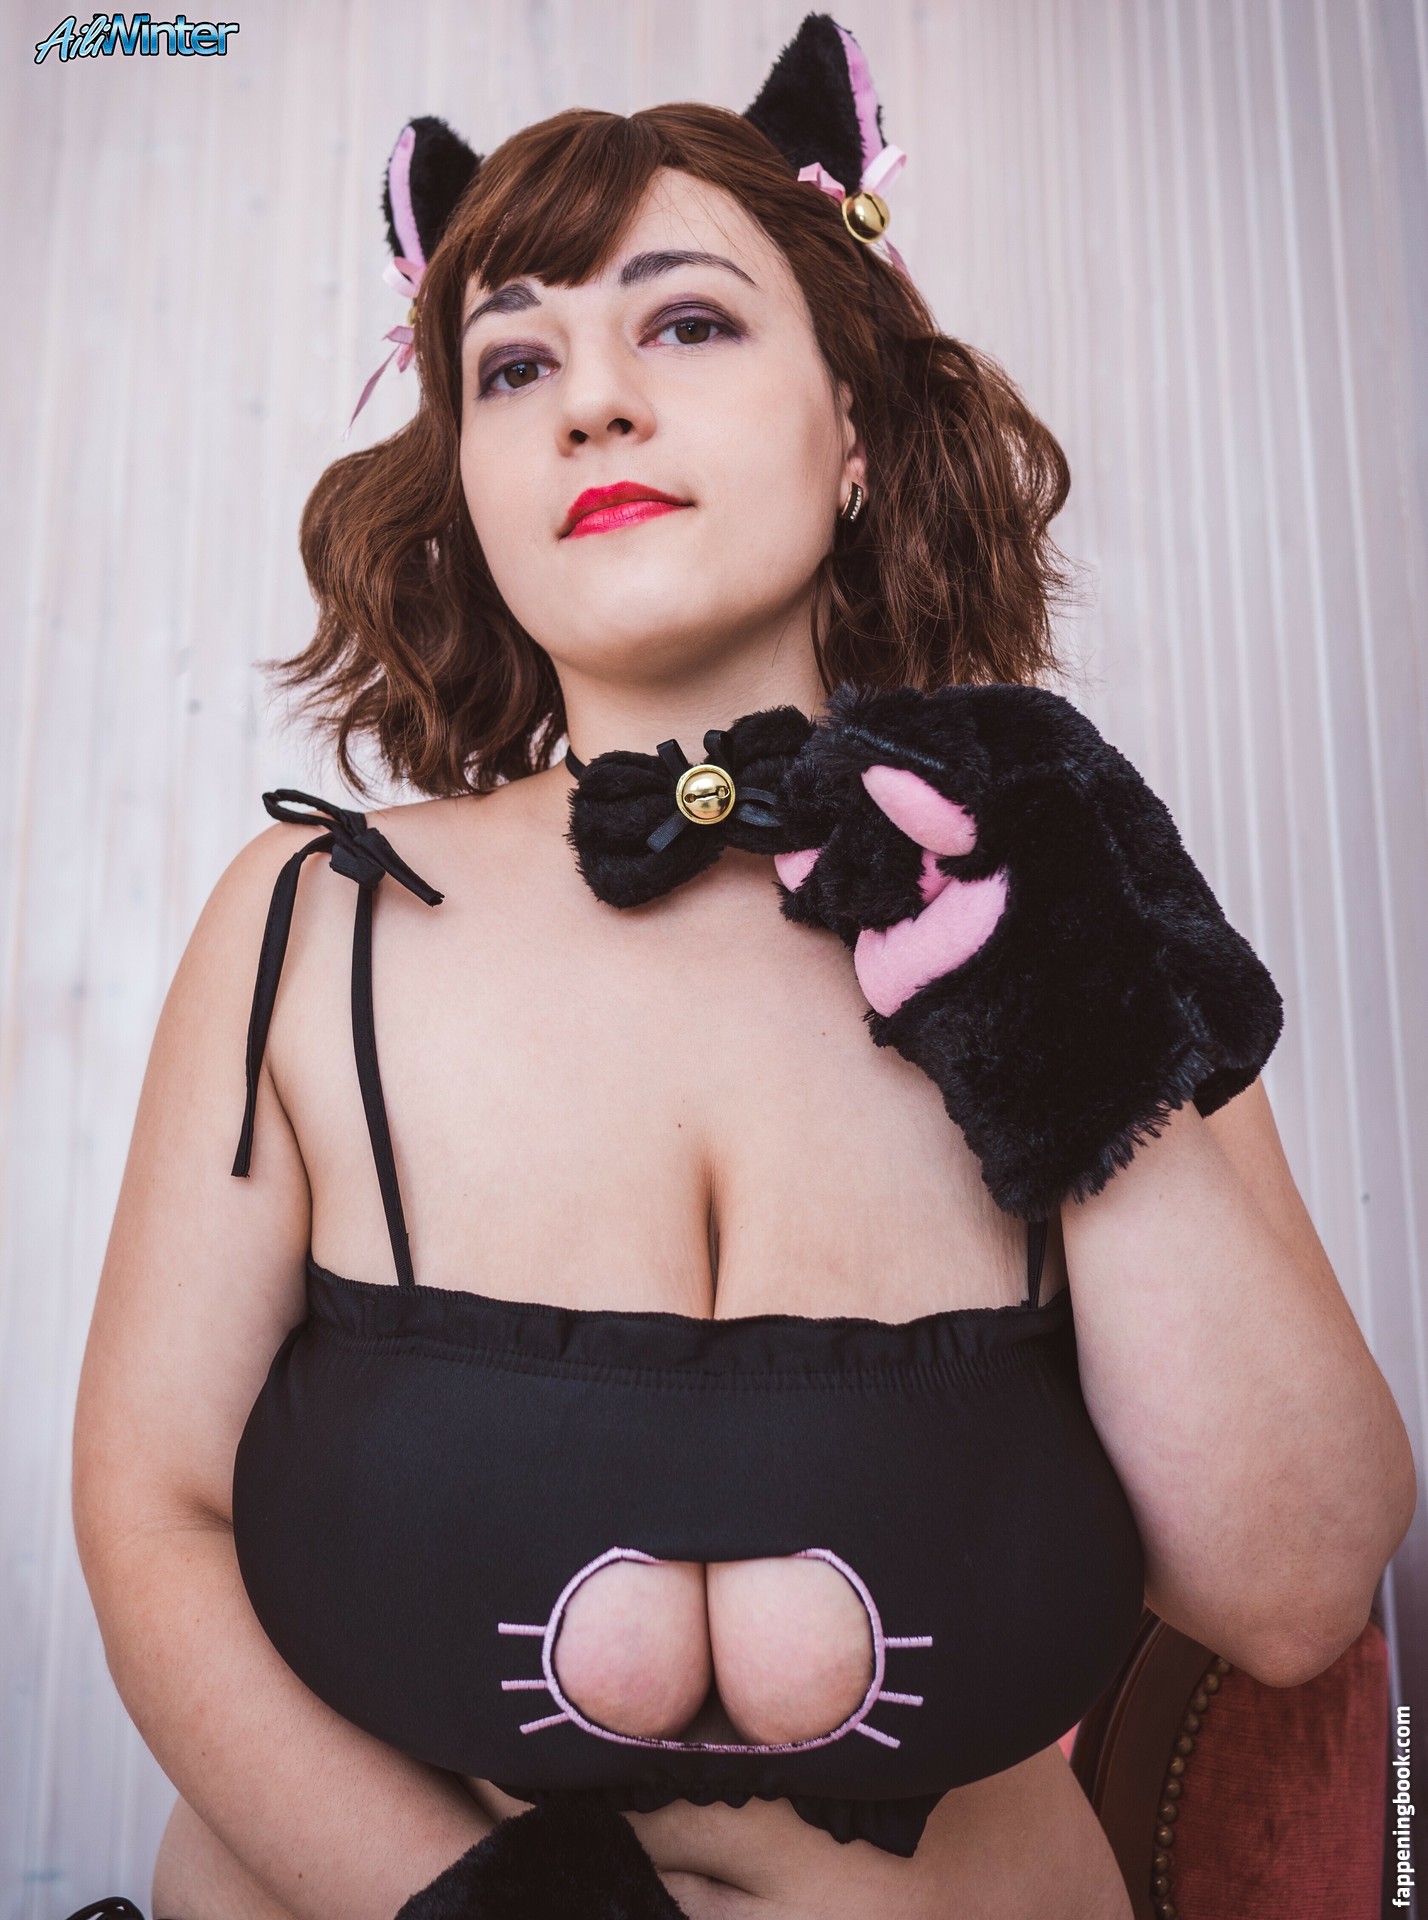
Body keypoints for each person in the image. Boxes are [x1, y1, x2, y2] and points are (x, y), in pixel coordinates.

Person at [71, 16, 1416, 1920]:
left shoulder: (1054, 868)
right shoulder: (311, 923)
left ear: (855, 430)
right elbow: (154, 1521)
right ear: (467, 480)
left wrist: (1066, 1030)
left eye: (686, 323)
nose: (593, 404)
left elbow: (1294, 1592)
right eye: (514, 364)